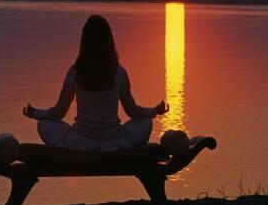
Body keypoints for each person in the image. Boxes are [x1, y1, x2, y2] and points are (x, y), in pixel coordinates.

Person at [22, 14, 169, 152]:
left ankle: (72, 146)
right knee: (146, 123)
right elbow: (132, 111)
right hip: (113, 142)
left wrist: (36, 113)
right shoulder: (119, 72)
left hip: (80, 141)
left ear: (84, 42)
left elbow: (59, 111)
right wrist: (154, 111)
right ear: (109, 41)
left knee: (44, 124)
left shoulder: (75, 71)